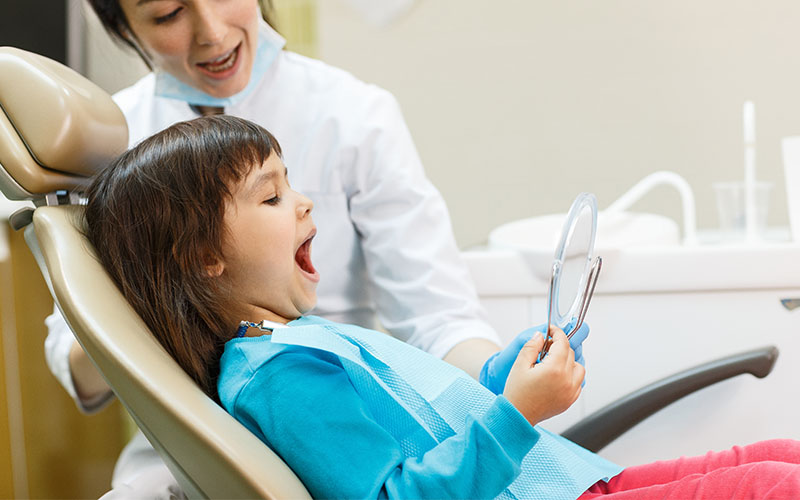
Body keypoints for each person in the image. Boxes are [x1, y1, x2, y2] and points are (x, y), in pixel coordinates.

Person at [85, 115, 800, 499]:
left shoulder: (297, 338)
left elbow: (429, 416)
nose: (301, 201)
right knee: (771, 485)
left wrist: (499, 377)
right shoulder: (278, 378)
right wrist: (517, 413)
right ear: (204, 259)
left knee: (779, 458)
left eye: (290, 183)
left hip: (559, 483)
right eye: (271, 197)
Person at [43, 0, 588, 497]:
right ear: (123, 26)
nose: (211, 33)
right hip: (206, 440)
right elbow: (78, 357)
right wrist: (153, 275)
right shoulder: (110, 153)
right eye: (167, 14)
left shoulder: (352, 114)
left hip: (359, 414)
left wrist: (495, 379)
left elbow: (438, 316)